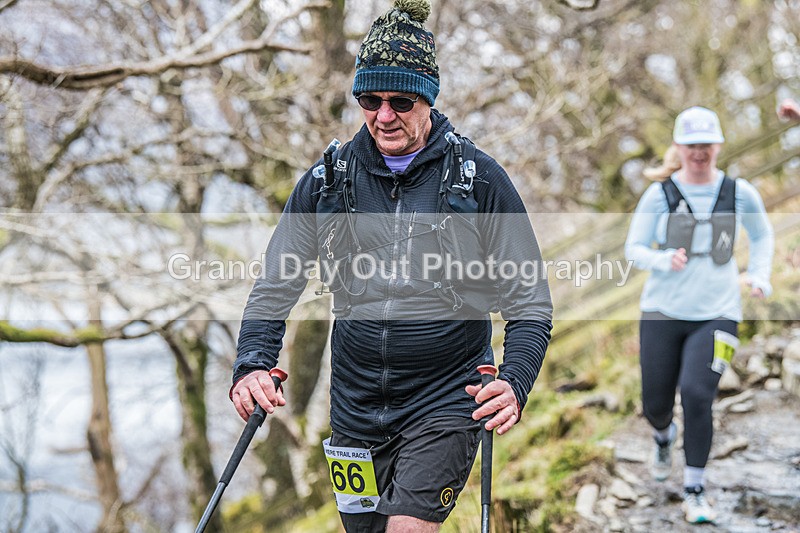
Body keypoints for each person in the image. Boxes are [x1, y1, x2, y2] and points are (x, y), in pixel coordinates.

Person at [230, 1, 553, 531]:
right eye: (370, 100)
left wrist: (515, 380)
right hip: (355, 409)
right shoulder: (328, 180)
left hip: (445, 398)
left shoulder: (478, 180)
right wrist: (251, 363)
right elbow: (274, 285)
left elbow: (530, 301)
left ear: (428, 98)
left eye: (400, 101)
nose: (383, 116)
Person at [625, 106, 774, 524]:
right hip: (662, 311)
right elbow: (633, 249)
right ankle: (663, 436)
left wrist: (759, 274)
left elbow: (762, 235)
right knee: (656, 404)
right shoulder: (660, 195)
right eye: (691, 145)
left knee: (696, 394)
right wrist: (662, 259)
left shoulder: (738, 192)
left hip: (719, 312)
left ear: (718, 145)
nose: (699, 152)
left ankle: (695, 490)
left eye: (706, 144)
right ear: (679, 146)